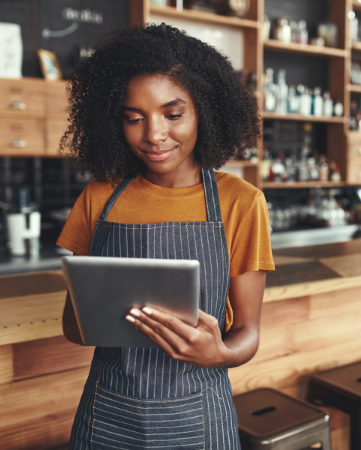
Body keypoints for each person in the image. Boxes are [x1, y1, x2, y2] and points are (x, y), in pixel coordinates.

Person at [57, 23, 274, 449]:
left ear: (204, 111)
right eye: (134, 118)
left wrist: (222, 354)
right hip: (107, 416)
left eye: (173, 115)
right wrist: (97, 317)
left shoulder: (241, 202)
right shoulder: (101, 195)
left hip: (199, 415)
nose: (154, 134)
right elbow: (72, 324)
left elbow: (248, 331)